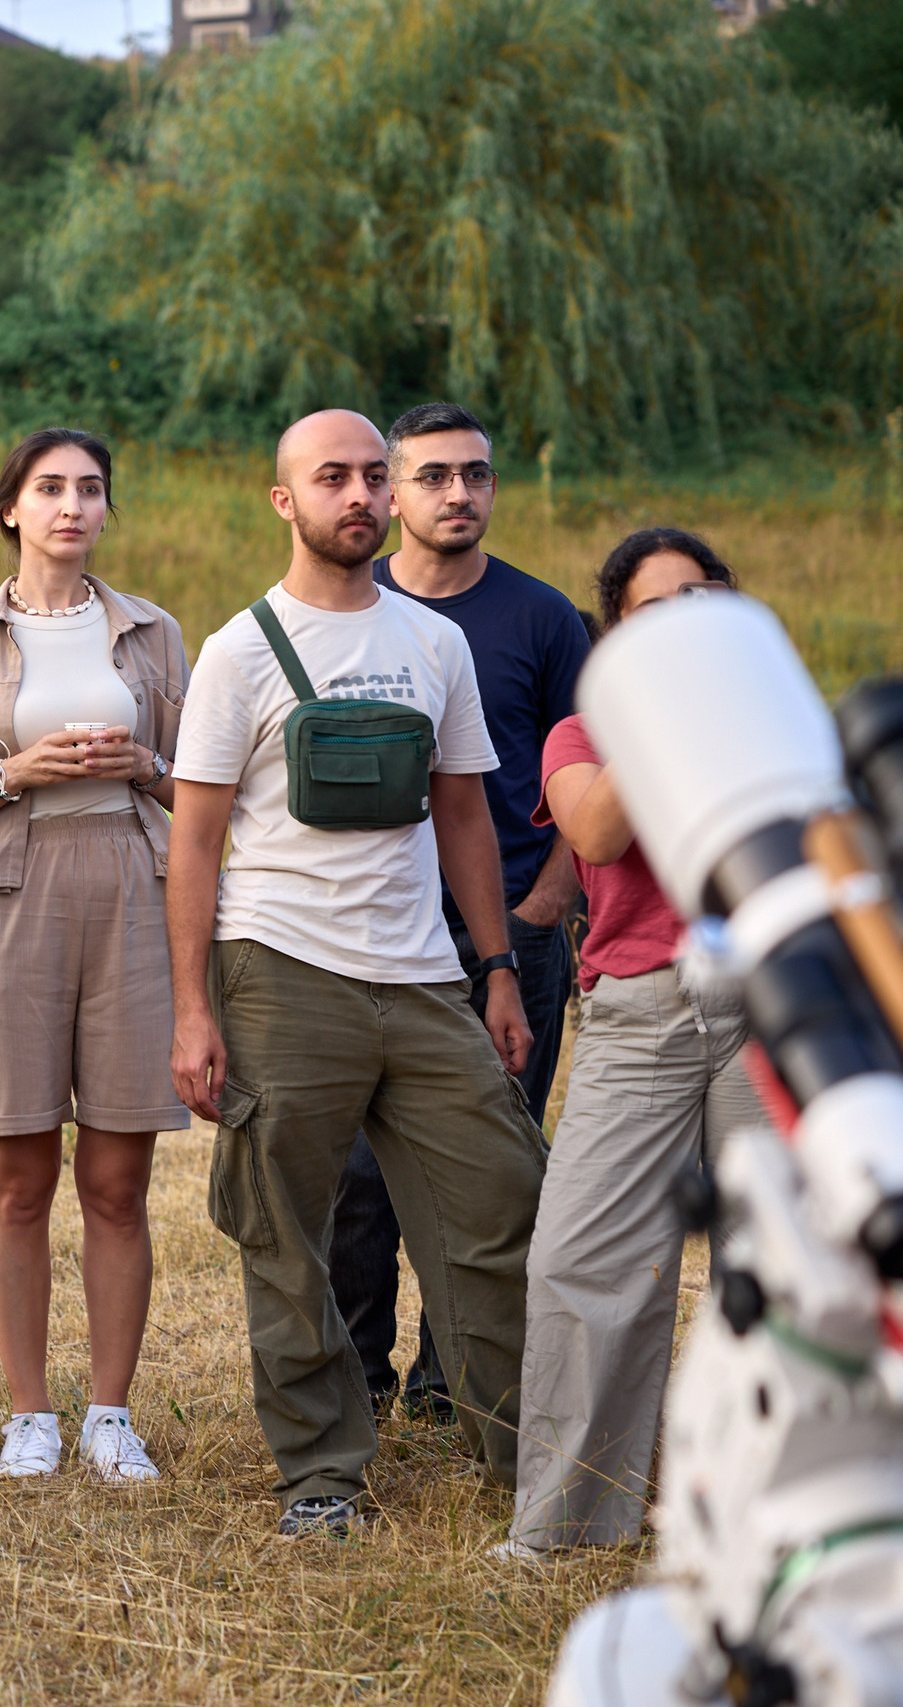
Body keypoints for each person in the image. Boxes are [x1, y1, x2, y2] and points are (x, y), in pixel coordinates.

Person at [166, 408, 547, 1539]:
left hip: (426, 979)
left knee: (499, 1208)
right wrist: (192, 1006)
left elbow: (466, 813)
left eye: (373, 475)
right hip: (280, 971)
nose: (359, 495)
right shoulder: (239, 649)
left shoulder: (437, 645)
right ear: (284, 500)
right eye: (330, 476)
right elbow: (193, 841)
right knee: (286, 1233)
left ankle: (529, 1457)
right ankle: (323, 1475)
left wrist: (495, 969)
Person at [0, 428, 188, 1484]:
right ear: (10, 508)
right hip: (7, 901)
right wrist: (15, 773)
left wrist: (147, 760)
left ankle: (110, 1413)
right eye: (50, 489)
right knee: (16, 1176)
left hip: (132, 892)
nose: (72, 506)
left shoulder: (154, 635)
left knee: (118, 1180)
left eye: (91, 489)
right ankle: (31, 1415)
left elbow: (204, 795)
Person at [330, 402, 593, 1421]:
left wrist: (538, 913)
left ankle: (451, 1394)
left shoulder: (542, 619)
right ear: (388, 492)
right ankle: (355, 1379)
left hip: (507, 936)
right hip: (368, 935)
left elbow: (593, 765)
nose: (458, 494)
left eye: (474, 475)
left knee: (483, 1176)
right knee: (356, 1180)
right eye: (433, 476)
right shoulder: (347, 610)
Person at [503, 528, 762, 1556]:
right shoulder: (580, 735)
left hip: (769, 1009)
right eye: (657, 611)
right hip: (640, 1014)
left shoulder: (778, 724)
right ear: (618, 633)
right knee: (580, 1263)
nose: (685, 623)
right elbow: (599, 835)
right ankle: (569, 1526)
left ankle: (758, 1517)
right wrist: (670, 704)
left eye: (704, 601)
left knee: (782, 1268)